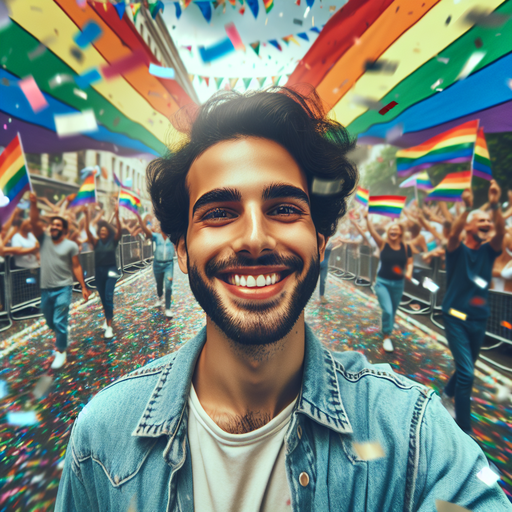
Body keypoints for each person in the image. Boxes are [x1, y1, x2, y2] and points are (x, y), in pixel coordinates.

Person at [55, 89, 511, 512]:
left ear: (321, 239)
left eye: (285, 209)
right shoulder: (100, 436)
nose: (254, 238)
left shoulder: (412, 434)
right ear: (180, 249)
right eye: (218, 213)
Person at [441, 181, 505, 436]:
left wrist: (495, 205)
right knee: (467, 373)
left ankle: (445, 394)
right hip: (455, 317)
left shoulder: (490, 251)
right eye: (481, 221)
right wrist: (468, 207)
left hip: (479, 319)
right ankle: (465, 432)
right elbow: (454, 234)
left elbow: (500, 232)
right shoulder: (456, 249)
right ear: (468, 224)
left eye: (488, 223)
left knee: (465, 367)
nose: (487, 225)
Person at [29, 192, 91, 369]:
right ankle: (61, 335)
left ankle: (61, 351)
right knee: (50, 321)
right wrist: (34, 204)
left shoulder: (70, 246)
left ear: (64, 230)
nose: (54, 226)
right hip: (46, 289)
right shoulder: (44, 240)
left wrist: (83, 286)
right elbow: (34, 222)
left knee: (59, 321)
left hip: (64, 288)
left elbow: (76, 266)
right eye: (53, 224)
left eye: (58, 225)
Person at [364, 212, 413, 353]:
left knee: (393, 311)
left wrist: (409, 271)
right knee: (388, 310)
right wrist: (368, 220)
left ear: (401, 232)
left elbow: (410, 263)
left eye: (396, 229)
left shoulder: (406, 247)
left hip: (398, 284)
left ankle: (387, 327)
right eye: (391, 229)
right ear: (388, 232)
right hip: (382, 283)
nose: (393, 231)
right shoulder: (383, 244)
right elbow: (372, 232)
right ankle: (386, 336)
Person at [83, 204, 122, 339]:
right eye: (101, 231)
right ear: (99, 233)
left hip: (111, 271)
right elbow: (87, 231)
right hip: (99, 272)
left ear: (108, 233)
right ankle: (108, 317)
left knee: (108, 296)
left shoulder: (113, 241)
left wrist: (116, 215)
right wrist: (87, 216)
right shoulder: (95, 242)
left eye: (105, 231)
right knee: (103, 298)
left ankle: (109, 326)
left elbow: (120, 231)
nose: (103, 232)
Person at [137, 212, 175, 318]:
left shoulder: (173, 238)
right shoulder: (156, 237)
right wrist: (141, 220)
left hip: (168, 265)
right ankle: (159, 298)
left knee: (168, 286)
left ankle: (167, 308)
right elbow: (145, 230)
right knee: (159, 284)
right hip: (157, 265)